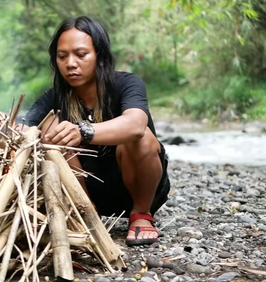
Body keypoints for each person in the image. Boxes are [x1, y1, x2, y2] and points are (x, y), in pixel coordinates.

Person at [23, 16, 170, 246]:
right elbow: (22, 130)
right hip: (85, 193)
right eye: (62, 57)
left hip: (138, 187)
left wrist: (84, 131)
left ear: (99, 56)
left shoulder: (127, 84)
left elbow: (136, 124)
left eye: (81, 55)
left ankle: (141, 215)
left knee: (139, 138)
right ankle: (86, 212)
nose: (71, 63)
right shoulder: (52, 99)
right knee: (49, 126)